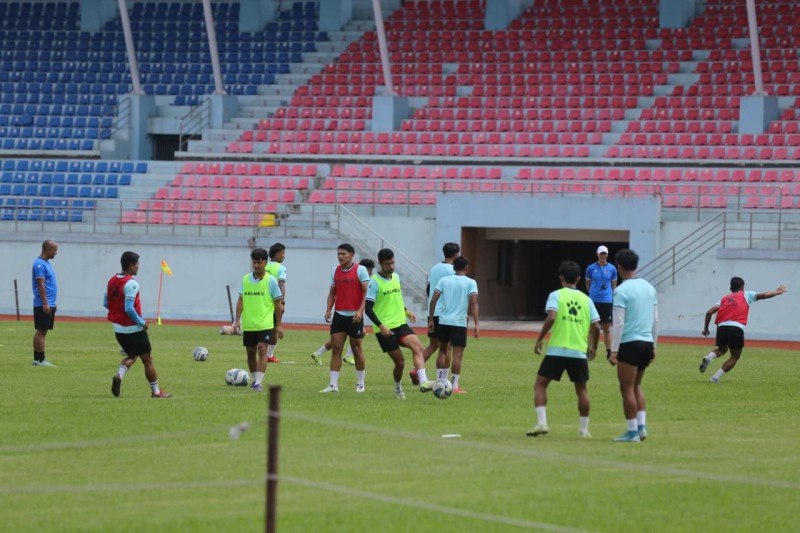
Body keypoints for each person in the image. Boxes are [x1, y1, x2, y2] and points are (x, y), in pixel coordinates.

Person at [528, 261, 600, 438]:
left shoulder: (556, 295)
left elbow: (551, 317)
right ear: (578, 278)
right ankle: (584, 430)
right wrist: (594, 347)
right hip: (578, 351)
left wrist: (539, 338)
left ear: (561, 277)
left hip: (557, 350)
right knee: (581, 390)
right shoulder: (587, 299)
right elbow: (597, 327)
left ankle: (542, 423)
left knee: (540, 385)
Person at [365, 248, 435, 399]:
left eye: (393, 263)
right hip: (384, 329)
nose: (392, 266)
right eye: (388, 264)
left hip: (400, 324)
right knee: (400, 363)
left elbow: (393, 301)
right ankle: (397, 388)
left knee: (418, 346)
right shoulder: (374, 283)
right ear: (380, 263)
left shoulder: (396, 277)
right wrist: (381, 326)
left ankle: (423, 381)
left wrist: (406, 311)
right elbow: (368, 309)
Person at [106, 251, 171, 398]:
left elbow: (106, 302)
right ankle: (156, 392)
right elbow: (128, 308)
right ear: (131, 265)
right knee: (148, 360)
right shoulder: (131, 283)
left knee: (132, 355)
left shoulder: (112, 280)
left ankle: (119, 375)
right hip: (133, 329)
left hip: (118, 329)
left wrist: (118, 314)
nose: (138, 267)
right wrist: (142, 322)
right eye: (137, 264)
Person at [608, 249, 658, 443]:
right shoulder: (649, 288)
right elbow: (655, 320)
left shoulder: (621, 290)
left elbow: (618, 323)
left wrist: (614, 349)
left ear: (619, 266)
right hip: (646, 342)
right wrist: (654, 345)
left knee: (626, 387)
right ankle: (642, 427)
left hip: (630, 342)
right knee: (637, 385)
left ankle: (632, 431)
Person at [699, 278, 787, 383]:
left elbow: (709, 312)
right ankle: (715, 378)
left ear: (731, 288)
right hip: (736, 327)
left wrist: (705, 329)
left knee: (722, 350)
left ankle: (709, 357)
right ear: (743, 287)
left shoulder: (724, 298)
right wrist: (777, 292)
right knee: (735, 357)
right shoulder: (746, 294)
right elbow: (765, 295)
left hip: (721, 327)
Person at [319, 245, 371, 393]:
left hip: (355, 316)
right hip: (339, 315)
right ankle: (333, 385)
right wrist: (329, 309)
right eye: (338, 254)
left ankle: (360, 384)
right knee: (336, 349)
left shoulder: (360, 270)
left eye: (343, 254)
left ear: (351, 255)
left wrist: (360, 311)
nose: (340, 256)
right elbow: (332, 293)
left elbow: (366, 294)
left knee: (356, 348)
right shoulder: (334, 271)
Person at [233, 247, 284, 392]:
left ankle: (258, 383)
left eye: (259, 263)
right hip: (249, 324)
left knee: (262, 349)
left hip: (265, 324)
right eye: (254, 263)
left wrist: (279, 324)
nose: (256, 266)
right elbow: (240, 301)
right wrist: (237, 320)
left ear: (265, 263)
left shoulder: (271, 281)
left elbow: (277, 304)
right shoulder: (245, 279)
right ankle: (255, 378)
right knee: (250, 353)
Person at [427, 256, 479, 394]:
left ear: (454, 268)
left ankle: (440, 381)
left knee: (442, 350)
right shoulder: (470, 282)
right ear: (467, 268)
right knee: (457, 355)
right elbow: (473, 302)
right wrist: (476, 324)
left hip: (444, 321)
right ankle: (455, 386)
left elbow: (433, 300)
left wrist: (431, 319)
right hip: (459, 323)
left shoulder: (444, 280)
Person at [311, 258, 374, 365]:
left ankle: (320, 353)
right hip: (348, 313)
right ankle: (346, 356)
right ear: (364, 269)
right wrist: (329, 309)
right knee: (341, 339)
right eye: (370, 271)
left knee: (352, 336)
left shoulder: (365, 280)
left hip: (357, 313)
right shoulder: (356, 276)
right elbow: (334, 293)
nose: (371, 273)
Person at [415, 242, 460, 385]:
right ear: (456, 254)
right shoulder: (453, 270)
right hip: (446, 313)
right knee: (446, 347)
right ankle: (443, 379)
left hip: (433, 311)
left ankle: (415, 369)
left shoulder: (434, 269)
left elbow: (429, 289)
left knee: (433, 345)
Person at [585, 245, 617, 360]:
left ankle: (609, 351)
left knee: (607, 328)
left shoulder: (612, 269)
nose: (603, 256)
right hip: (593, 300)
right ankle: (588, 350)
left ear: (607, 255)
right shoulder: (590, 268)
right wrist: (593, 293)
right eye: (601, 253)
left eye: (605, 254)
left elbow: (614, 285)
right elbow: (587, 283)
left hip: (606, 301)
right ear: (597, 254)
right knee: (592, 328)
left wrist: (609, 295)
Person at [32, 240, 59, 367]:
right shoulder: (39, 264)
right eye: (54, 250)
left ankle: (38, 359)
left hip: (49, 303)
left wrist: (52, 303)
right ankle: (40, 359)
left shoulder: (46, 264)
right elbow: (41, 285)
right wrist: (45, 303)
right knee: (41, 331)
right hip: (42, 303)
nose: (56, 253)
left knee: (43, 331)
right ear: (47, 249)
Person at [265, 242, 287, 363]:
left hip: (261, 301)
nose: (284, 256)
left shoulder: (263, 265)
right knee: (274, 328)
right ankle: (269, 355)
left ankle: (261, 351)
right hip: (273, 302)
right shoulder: (281, 268)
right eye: (283, 253)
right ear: (278, 254)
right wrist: (282, 303)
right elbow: (281, 285)